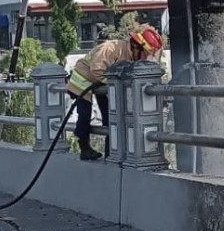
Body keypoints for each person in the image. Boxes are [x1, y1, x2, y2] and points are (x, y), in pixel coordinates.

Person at [66, 25, 163, 161]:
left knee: (110, 117)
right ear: (137, 47)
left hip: (101, 84)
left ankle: (110, 151)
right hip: (82, 79)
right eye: (145, 54)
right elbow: (97, 69)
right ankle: (84, 147)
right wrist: (114, 85)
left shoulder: (130, 56)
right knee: (84, 114)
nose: (145, 59)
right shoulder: (111, 48)